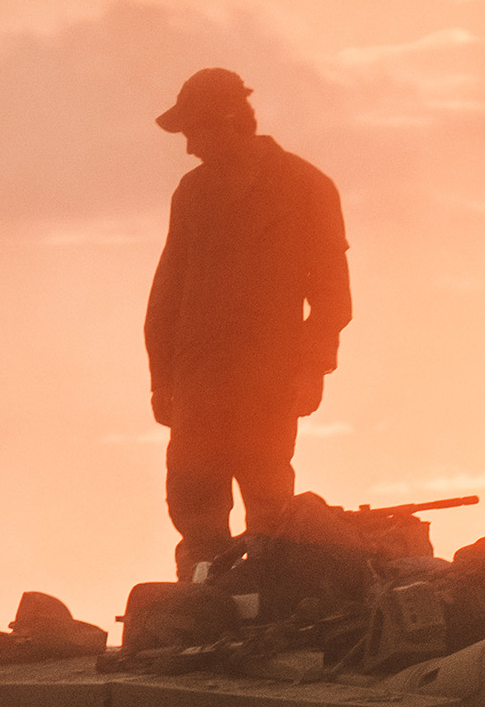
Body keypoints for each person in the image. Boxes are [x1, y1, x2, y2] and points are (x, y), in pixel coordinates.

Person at [143, 67, 353, 578]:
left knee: (267, 505)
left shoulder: (305, 186)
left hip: (268, 378)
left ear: (230, 122)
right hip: (198, 379)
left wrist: (311, 368)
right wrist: (162, 382)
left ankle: (264, 602)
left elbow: (331, 297)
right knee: (193, 499)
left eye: (195, 131)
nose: (190, 147)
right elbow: (168, 294)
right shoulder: (191, 193)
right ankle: (206, 598)